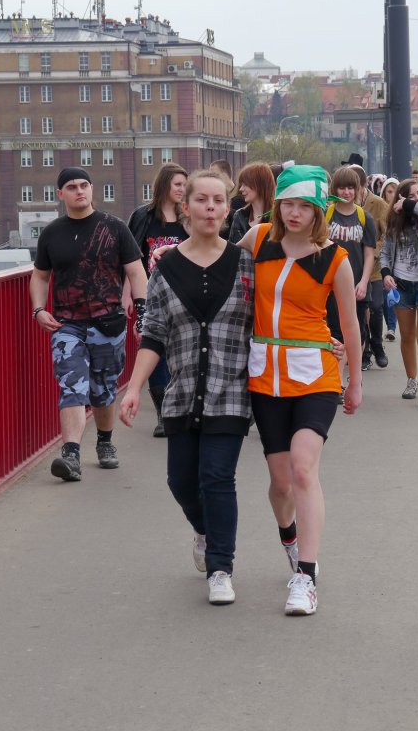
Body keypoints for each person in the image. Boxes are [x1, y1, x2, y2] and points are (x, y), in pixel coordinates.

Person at [119, 170, 254, 605]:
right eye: (202, 200)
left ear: (227, 209)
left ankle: (221, 568)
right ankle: (204, 529)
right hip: (180, 391)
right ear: (186, 208)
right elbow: (153, 333)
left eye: (218, 201)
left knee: (217, 477)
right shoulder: (166, 267)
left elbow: (269, 322)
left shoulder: (245, 265)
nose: (211, 208)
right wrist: (136, 387)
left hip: (231, 389)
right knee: (180, 481)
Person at [236, 164, 363, 615]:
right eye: (287, 203)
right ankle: (289, 538)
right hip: (265, 375)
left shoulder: (335, 259)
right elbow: (213, 266)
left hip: (315, 376)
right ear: (278, 204)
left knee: (305, 470)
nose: (294, 213)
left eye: (304, 206)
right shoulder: (259, 240)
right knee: (280, 482)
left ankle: (305, 577)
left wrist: (355, 384)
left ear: (318, 211)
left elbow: (350, 325)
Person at [31, 167, 148, 481]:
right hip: (67, 324)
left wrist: (142, 312)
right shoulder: (52, 233)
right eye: (71, 187)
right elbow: (40, 275)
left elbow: (136, 272)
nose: (79, 191)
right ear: (61, 194)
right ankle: (70, 455)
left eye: (84, 185)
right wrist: (39, 309)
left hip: (108, 323)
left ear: (92, 189)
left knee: (103, 390)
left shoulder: (114, 228)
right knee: (72, 385)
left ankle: (105, 442)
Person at [128, 163, 189, 437]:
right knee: (153, 349)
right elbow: (130, 260)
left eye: (185, 185)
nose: (182, 190)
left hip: (185, 294)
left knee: (181, 350)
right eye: (178, 184)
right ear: (164, 185)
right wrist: (126, 296)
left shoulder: (189, 216)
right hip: (152, 295)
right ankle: (164, 414)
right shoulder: (143, 216)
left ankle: (181, 407)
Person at [380, 178, 418, 407]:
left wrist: (410, 204)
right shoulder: (395, 220)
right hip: (401, 285)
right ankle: (411, 381)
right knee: (407, 337)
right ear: (401, 198)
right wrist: (386, 273)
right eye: (412, 195)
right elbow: (385, 252)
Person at [325, 166, 377, 389]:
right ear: (334, 189)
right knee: (336, 333)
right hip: (330, 285)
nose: (346, 192)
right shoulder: (326, 214)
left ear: (357, 189)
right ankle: (336, 382)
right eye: (341, 187)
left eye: (350, 188)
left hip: (357, 284)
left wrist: (364, 281)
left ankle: (352, 378)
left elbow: (369, 254)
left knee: (357, 334)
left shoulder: (365, 217)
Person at [348, 164, 389, 370]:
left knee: (375, 307)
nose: (352, 191)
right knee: (358, 310)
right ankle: (365, 352)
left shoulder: (378, 203)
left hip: (373, 266)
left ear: (364, 185)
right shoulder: (342, 206)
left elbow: (385, 233)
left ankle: (377, 345)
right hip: (353, 265)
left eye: (356, 186)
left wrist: (374, 250)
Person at [226, 161, 276, 244]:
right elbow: (232, 248)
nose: (241, 189)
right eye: (241, 184)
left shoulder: (278, 217)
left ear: (260, 184)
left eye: (245, 184)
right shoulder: (239, 215)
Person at [379, 177, 401, 342]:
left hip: (395, 260)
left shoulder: (400, 211)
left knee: (390, 294)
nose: (392, 195)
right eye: (389, 191)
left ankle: (392, 327)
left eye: (395, 191)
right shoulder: (381, 209)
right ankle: (389, 326)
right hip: (379, 258)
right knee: (381, 299)